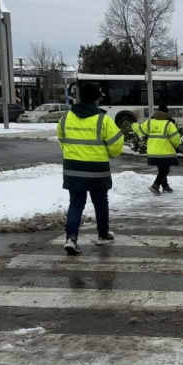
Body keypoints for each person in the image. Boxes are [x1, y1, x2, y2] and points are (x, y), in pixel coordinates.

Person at [57, 83, 125, 255]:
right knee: (100, 201)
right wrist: (109, 153)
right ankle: (103, 235)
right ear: (97, 99)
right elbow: (116, 145)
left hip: (73, 169)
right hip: (97, 169)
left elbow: (62, 141)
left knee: (76, 203)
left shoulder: (65, 119)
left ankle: (71, 238)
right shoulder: (103, 120)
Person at [132, 103, 181, 195]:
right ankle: (155, 186)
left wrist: (133, 125)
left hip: (153, 152)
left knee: (161, 170)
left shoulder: (150, 122)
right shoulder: (169, 124)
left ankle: (166, 187)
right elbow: (175, 138)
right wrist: (176, 145)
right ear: (167, 113)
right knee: (165, 170)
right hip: (165, 152)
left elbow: (141, 131)